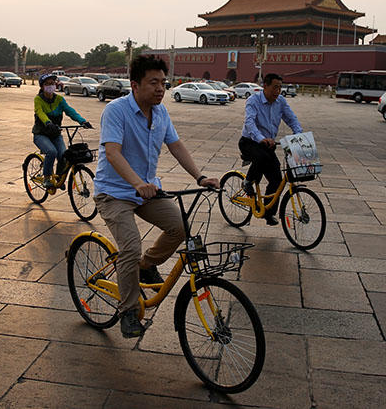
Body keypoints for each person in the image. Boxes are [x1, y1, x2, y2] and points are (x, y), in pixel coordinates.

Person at [93, 55, 219, 338]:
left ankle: (147, 266)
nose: (161, 88)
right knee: (130, 246)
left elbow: (176, 146)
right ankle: (127, 311)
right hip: (114, 193)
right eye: (154, 82)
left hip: (147, 191)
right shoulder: (116, 111)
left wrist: (200, 177)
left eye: (164, 82)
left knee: (180, 227)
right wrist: (137, 183)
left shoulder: (161, 113)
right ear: (135, 85)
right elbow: (112, 152)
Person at [239, 73, 303, 226]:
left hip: (268, 145)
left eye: (280, 87)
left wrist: (299, 134)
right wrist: (261, 138)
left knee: (277, 180)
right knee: (261, 158)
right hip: (249, 142)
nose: (278, 91)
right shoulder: (253, 101)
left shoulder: (280, 101)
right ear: (265, 86)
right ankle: (248, 181)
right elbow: (250, 123)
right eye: (275, 87)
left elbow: (291, 118)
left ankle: (268, 213)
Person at [32, 73, 92, 189]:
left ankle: (59, 177)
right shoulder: (38, 99)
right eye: (47, 84)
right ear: (42, 86)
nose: (51, 86)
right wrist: (48, 123)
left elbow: (70, 111)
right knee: (51, 152)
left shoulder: (59, 99)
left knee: (63, 155)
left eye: (53, 83)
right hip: (41, 134)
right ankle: (46, 178)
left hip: (55, 134)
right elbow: (40, 113)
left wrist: (82, 121)